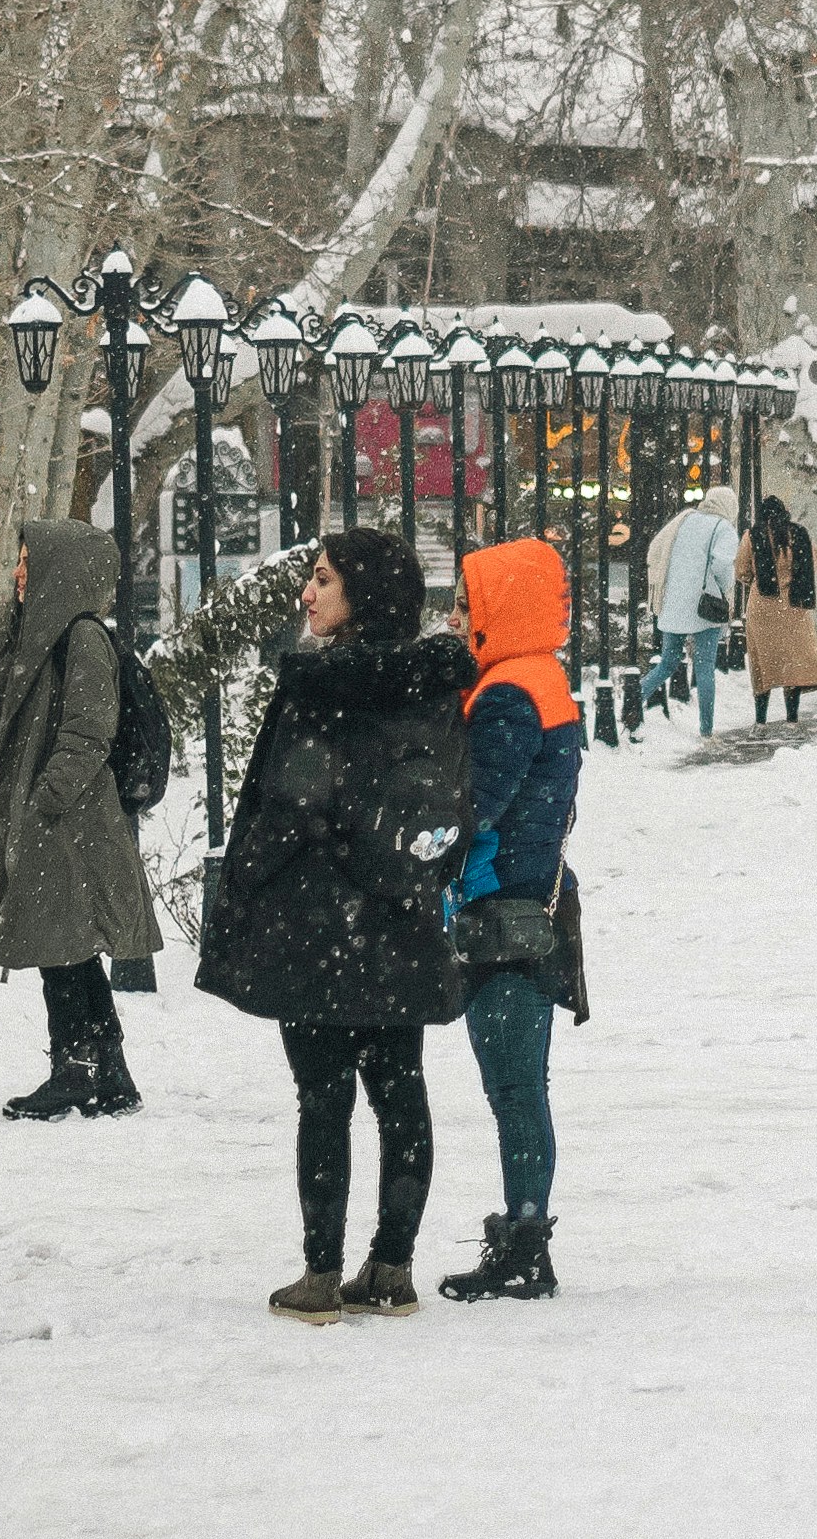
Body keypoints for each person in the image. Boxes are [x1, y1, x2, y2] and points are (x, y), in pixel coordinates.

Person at [198, 526, 471, 1322]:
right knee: (399, 1089)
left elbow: (293, 802)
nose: (306, 593)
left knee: (322, 1096)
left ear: (362, 593)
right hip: (399, 910)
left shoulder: (319, 687)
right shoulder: (434, 683)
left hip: (318, 919)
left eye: (321, 578)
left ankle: (319, 1276)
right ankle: (392, 1266)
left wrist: (246, 873)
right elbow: (452, 793)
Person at [438, 533, 584, 1305]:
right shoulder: (540, 677)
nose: (456, 615)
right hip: (532, 901)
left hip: (504, 912)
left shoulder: (507, 695)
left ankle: (526, 1246)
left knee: (515, 1089)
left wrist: (425, 846)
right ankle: (524, 1235)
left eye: (466, 600)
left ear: (502, 604)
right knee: (523, 1087)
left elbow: (475, 806)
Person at [0, 518, 158, 1119]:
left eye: (28, 559)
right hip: (60, 819)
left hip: (69, 820)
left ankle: (76, 1068)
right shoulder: (45, 636)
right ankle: (109, 1071)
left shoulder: (79, 637)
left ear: (63, 570)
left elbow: (89, 731)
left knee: (62, 949)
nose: (19, 571)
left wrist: (45, 801)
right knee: (68, 949)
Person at [640, 482, 740, 735]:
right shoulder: (724, 528)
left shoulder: (685, 520)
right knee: (705, 667)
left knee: (667, 663)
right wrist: (724, 588)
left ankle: (633, 701)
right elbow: (723, 566)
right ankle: (706, 729)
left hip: (674, 603)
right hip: (704, 607)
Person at [739, 493, 817, 721]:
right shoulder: (800, 535)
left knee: (762, 665)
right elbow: (813, 563)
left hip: (763, 607)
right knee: (793, 664)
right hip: (794, 607)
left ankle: (761, 719)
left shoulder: (752, 536)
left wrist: (757, 580)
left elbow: (741, 571)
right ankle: (792, 717)